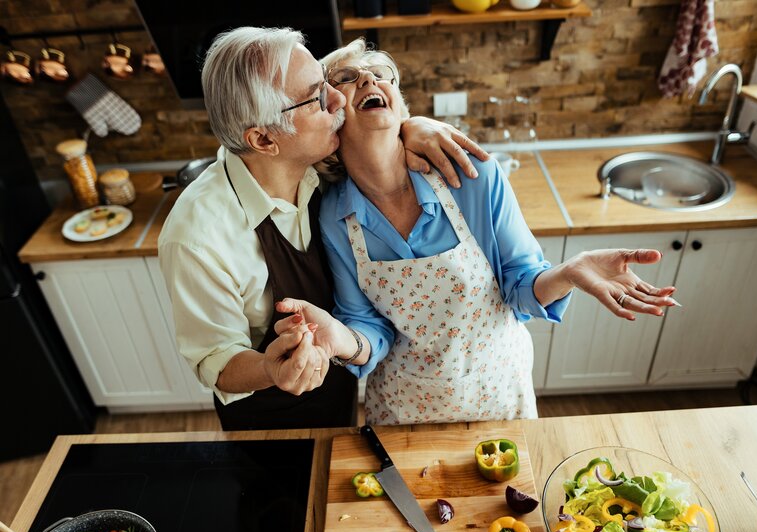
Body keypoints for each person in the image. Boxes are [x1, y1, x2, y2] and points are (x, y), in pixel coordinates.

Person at [273, 39, 679, 425]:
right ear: (330, 117)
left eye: (380, 73)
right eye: (346, 77)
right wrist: (339, 340)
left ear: (402, 110)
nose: (369, 80)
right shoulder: (334, 216)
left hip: (498, 395)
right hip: (403, 408)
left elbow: (519, 286)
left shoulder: (471, 176)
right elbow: (368, 326)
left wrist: (570, 271)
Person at [157, 27, 489, 431]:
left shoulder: (321, 162)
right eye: (317, 97)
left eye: (326, 82)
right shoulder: (197, 237)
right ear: (263, 139)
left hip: (342, 389)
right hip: (269, 421)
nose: (337, 101)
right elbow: (216, 361)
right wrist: (271, 367)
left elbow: (374, 125)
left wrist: (411, 125)